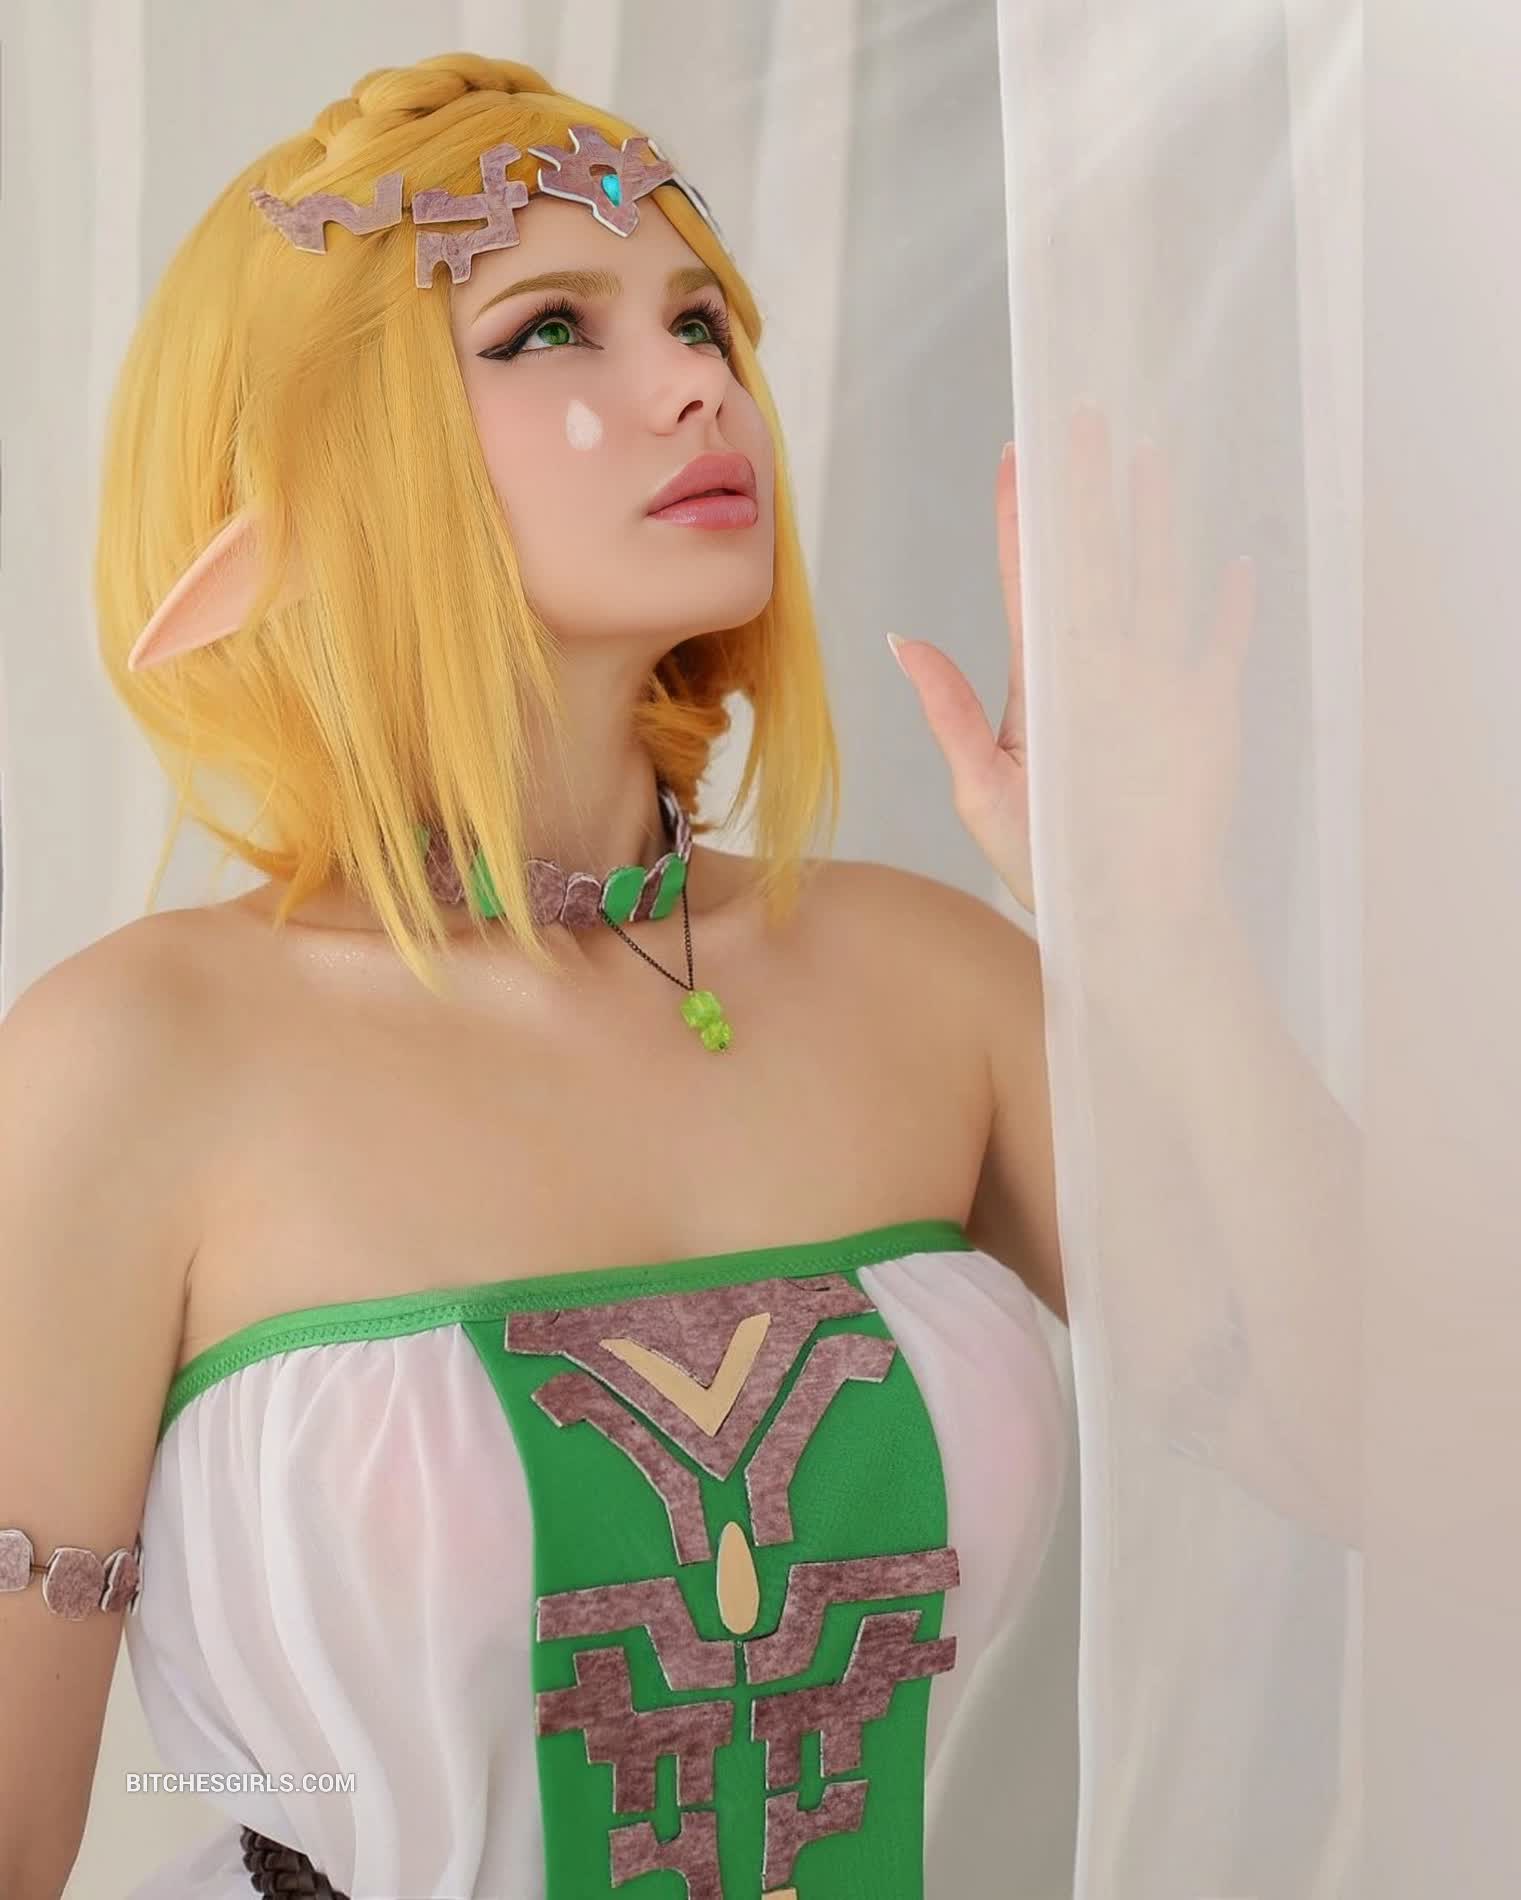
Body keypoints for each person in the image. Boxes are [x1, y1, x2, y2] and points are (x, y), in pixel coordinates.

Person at [0, 52, 1070, 1900]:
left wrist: (1142, 917)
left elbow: (1390, 1461)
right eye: (549, 327)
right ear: (318, 469)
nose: (697, 383)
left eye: (700, 318)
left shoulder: (933, 980)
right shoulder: (137, 1057)